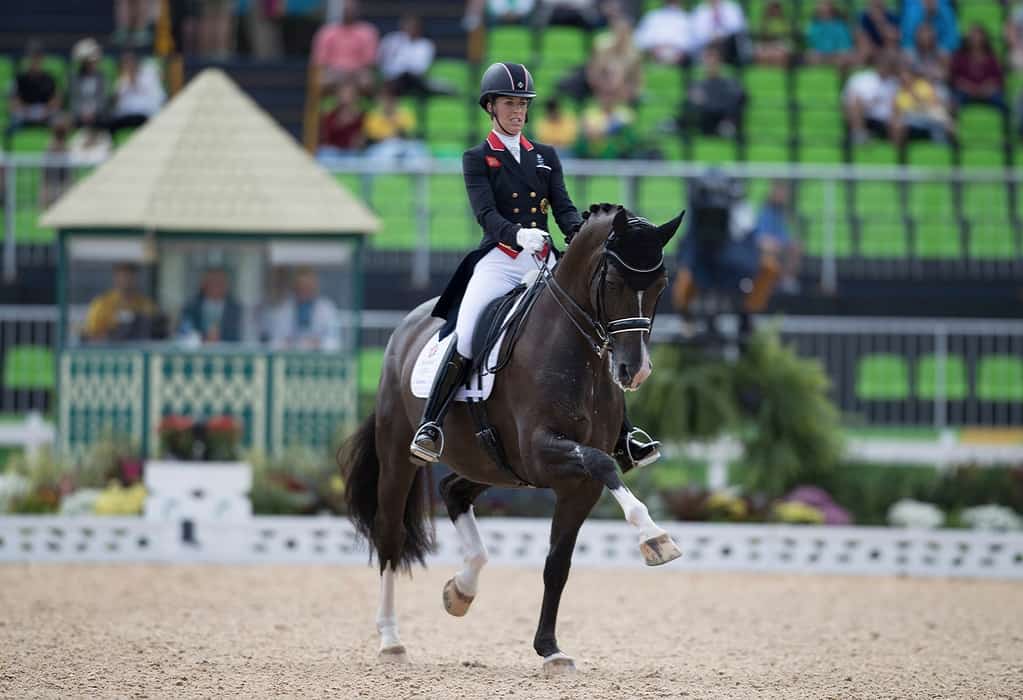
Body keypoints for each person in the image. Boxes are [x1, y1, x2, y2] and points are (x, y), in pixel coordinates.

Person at [413, 61, 661, 470]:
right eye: (509, 103)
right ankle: (431, 425)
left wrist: (582, 238)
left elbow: (563, 209)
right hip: (501, 260)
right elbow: (485, 214)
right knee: (469, 332)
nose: (517, 111)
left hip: (545, 261)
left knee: (595, 332)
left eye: (523, 104)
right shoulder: (478, 158)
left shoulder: (545, 156)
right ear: (490, 107)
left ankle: (624, 435)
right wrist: (516, 235)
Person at [264, 267, 340, 350]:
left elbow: (334, 342)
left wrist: (318, 343)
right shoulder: (284, 308)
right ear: (294, 288)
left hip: (319, 355)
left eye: (308, 287)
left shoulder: (327, 309)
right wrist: (289, 343)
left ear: (315, 287)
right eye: (300, 287)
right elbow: (275, 341)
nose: (304, 291)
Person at [82, 263, 160, 342]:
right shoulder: (102, 304)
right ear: (115, 278)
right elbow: (91, 333)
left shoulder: (145, 304)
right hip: (111, 347)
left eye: (131, 277)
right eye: (123, 276)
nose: (127, 281)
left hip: (139, 346)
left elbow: (155, 328)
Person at [311, 0, 378, 91]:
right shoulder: (327, 31)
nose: (348, 12)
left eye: (351, 9)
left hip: (359, 71)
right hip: (334, 71)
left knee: (367, 81)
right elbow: (320, 60)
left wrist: (352, 71)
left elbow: (370, 60)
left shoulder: (367, 31)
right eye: (346, 9)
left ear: (357, 11)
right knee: (325, 80)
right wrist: (338, 71)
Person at [4, 40, 61, 150]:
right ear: (28, 59)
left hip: (45, 114)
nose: (35, 61)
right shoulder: (19, 78)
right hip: (24, 114)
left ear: (42, 59)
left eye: (38, 57)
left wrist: (44, 111)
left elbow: (56, 100)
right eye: (33, 57)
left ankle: (57, 155)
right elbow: (13, 102)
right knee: (10, 126)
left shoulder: (50, 78)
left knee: (59, 123)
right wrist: (27, 112)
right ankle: (8, 156)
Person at [681, 44, 746, 138]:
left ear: (720, 61)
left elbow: (737, 101)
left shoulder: (730, 82)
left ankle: (728, 129)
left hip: (723, 119)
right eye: (708, 58)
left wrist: (705, 101)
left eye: (714, 58)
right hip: (705, 121)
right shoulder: (697, 84)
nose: (711, 62)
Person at [753, 180, 800, 291]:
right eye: (780, 192)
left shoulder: (784, 213)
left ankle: (786, 280)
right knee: (770, 248)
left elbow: (786, 236)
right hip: (762, 246)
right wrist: (775, 243)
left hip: (778, 246)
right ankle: (765, 284)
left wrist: (785, 244)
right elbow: (759, 237)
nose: (783, 196)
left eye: (785, 192)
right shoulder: (764, 211)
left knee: (795, 247)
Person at [843, 51, 898, 145]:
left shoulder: (894, 82)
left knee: (897, 122)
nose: (885, 67)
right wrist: (869, 104)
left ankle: (895, 150)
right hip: (866, 116)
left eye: (888, 64)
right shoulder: (860, 78)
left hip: (886, 119)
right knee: (855, 104)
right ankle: (859, 134)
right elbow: (848, 101)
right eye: (883, 63)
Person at [949, 24, 1007, 114]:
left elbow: (998, 79)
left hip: (987, 92)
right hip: (966, 91)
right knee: (954, 102)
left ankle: (1007, 122)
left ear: (984, 38)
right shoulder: (960, 56)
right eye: (973, 35)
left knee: (1003, 104)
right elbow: (954, 78)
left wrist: (987, 87)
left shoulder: (991, 58)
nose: (975, 38)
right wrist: (967, 86)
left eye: (978, 35)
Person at [108, 52, 166, 138]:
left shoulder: (148, 76)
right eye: (125, 63)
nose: (129, 66)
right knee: (110, 124)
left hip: (144, 114)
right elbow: (115, 103)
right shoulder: (122, 81)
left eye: (130, 62)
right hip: (125, 115)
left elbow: (158, 97)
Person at [376, 15, 437, 97]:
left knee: (405, 78)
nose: (409, 28)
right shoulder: (391, 40)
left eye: (412, 26)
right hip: (389, 77)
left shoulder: (426, 45)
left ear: (419, 27)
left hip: (412, 80)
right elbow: (381, 59)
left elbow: (421, 69)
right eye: (407, 25)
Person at [179, 267, 242, 343]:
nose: (215, 286)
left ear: (226, 285)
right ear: (203, 284)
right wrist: (203, 338)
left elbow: (241, 336)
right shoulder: (191, 308)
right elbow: (184, 334)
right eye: (211, 282)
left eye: (219, 282)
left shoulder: (236, 309)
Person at [316, 80, 366, 162]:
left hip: (351, 152)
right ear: (338, 95)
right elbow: (324, 137)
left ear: (356, 96)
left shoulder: (361, 116)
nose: (346, 97)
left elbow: (361, 140)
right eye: (343, 93)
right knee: (324, 154)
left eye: (349, 94)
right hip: (331, 151)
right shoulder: (330, 114)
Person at [689, 0, 750, 65]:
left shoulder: (732, 7)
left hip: (728, 41)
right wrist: (711, 36)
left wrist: (722, 35)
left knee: (735, 40)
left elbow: (739, 27)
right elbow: (697, 33)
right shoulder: (700, 10)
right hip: (708, 42)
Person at [634, 0, 692, 65]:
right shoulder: (652, 17)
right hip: (653, 58)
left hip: (681, 60)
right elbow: (639, 40)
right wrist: (655, 49)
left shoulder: (687, 19)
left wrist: (678, 53)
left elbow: (692, 44)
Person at [69, 38, 108, 130]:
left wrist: (93, 113)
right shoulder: (74, 78)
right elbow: (74, 99)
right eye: (90, 62)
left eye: (94, 61)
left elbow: (102, 98)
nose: (93, 64)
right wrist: (82, 113)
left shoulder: (101, 77)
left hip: (97, 115)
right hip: (79, 115)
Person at [805, 0, 854, 68]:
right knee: (812, 56)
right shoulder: (813, 26)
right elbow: (811, 46)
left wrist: (835, 55)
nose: (824, 7)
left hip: (837, 56)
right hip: (820, 56)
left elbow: (845, 47)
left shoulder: (841, 25)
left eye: (826, 4)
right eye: (821, 3)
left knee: (843, 58)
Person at [755, 0, 793, 67]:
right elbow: (762, 36)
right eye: (772, 8)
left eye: (776, 8)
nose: (774, 10)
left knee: (782, 52)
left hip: (780, 44)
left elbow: (786, 36)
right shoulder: (764, 22)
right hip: (767, 44)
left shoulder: (784, 22)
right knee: (759, 51)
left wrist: (775, 37)